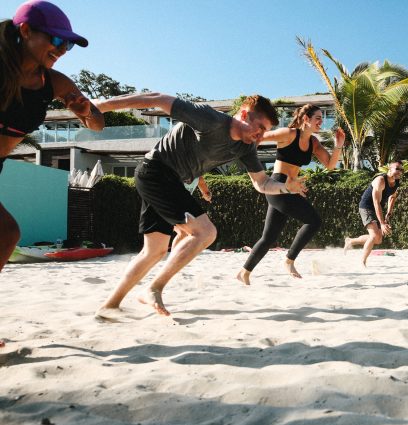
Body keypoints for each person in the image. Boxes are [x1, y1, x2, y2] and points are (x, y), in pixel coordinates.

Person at [93, 92, 306, 317]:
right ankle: (153, 288)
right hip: (155, 171)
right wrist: (101, 106)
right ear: (244, 114)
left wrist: (285, 188)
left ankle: (110, 305)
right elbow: (157, 99)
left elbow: (261, 183)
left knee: (153, 251)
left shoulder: (246, 148)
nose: (261, 135)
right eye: (260, 128)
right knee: (205, 232)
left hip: (171, 181)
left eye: (264, 131)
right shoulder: (210, 119)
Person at [1, 0, 105, 346]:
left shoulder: (54, 82)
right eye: (56, 41)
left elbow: (98, 124)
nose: (62, 50)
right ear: (26, 31)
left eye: (68, 44)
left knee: (6, 235)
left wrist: (84, 110)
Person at [238, 103, 345, 284]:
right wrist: (252, 166)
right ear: (306, 119)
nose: (321, 122)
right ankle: (289, 260)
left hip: (291, 188)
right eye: (318, 118)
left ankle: (244, 272)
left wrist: (338, 145)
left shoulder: (313, 142)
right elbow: (258, 137)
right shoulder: (288, 134)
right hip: (277, 185)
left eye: (322, 118)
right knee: (314, 221)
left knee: (269, 237)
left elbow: (330, 165)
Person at [344, 160, 403, 266]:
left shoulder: (396, 182)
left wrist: (388, 213)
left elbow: (392, 197)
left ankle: (351, 241)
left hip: (377, 207)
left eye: (401, 170)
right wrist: (382, 223)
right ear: (389, 169)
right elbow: (376, 202)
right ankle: (363, 261)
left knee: (378, 239)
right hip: (366, 207)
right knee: (374, 236)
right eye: (397, 168)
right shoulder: (380, 180)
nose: (400, 171)